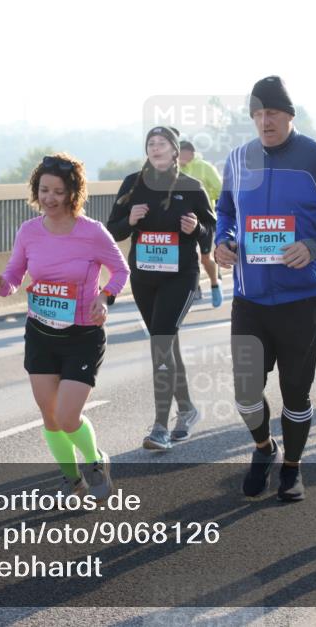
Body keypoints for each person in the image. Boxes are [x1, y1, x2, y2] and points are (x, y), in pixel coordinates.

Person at [215, 75, 316, 502]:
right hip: (250, 298)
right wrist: (223, 241)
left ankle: (292, 467)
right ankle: (264, 449)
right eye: (257, 114)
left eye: (272, 113)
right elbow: (225, 211)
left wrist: (313, 245)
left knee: (295, 391)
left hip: (302, 298)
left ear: (289, 115)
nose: (264, 121)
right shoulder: (238, 160)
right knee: (245, 391)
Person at [0, 153, 128, 500]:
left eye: (58, 192)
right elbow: (14, 276)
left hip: (82, 335)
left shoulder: (92, 233)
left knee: (68, 416)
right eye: (44, 190)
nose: (49, 198)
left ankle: (95, 462)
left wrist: (105, 297)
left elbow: (121, 271)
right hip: (41, 334)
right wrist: (0, 286)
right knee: (49, 416)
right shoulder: (29, 231)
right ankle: (71, 478)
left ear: (72, 193)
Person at [107, 127, 216, 449]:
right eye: (150, 144)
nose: (155, 149)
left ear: (174, 150)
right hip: (143, 277)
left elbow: (210, 231)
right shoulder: (133, 183)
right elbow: (112, 231)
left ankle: (159, 426)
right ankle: (188, 410)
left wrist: (197, 228)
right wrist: (130, 220)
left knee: (160, 342)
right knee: (165, 343)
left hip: (179, 276)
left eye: (162, 144)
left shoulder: (191, 187)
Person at [179, 140, 224, 307]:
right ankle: (194, 287)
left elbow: (219, 189)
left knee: (205, 258)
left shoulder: (205, 167)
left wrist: (211, 202)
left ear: (191, 153)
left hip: (204, 220)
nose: (180, 157)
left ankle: (214, 284)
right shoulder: (175, 170)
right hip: (184, 221)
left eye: (183, 153)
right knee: (188, 256)